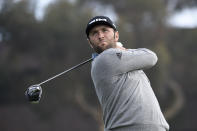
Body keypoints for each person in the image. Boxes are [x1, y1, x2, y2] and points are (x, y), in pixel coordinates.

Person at [85, 16, 169, 131]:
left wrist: (123, 51)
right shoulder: (105, 58)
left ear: (116, 35)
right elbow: (151, 57)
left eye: (105, 30)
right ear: (90, 42)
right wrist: (124, 50)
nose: (100, 36)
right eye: (94, 33)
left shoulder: (123, 60)